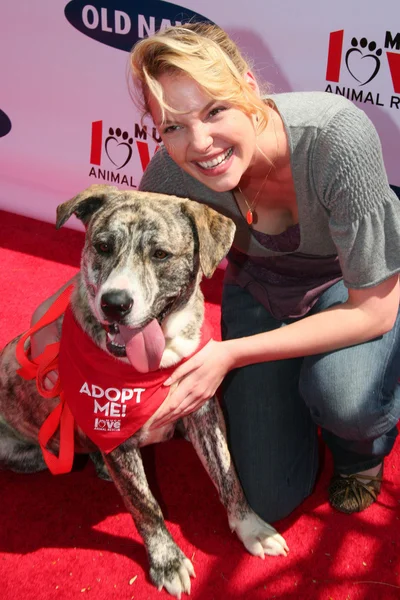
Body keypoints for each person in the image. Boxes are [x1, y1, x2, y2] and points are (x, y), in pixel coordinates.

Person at [33, 22, 400, 522]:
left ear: (247, 86)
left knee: (344, 397)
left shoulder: (335, 137)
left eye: (214, 110)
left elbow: (373, 312)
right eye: (173, 126)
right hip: (263, 290)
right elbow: (126, 268)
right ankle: (298, 382)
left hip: (350, 282)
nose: (200, 144)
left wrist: (229, 354)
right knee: (270, 499)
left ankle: (361, 456)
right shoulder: (167, 176)